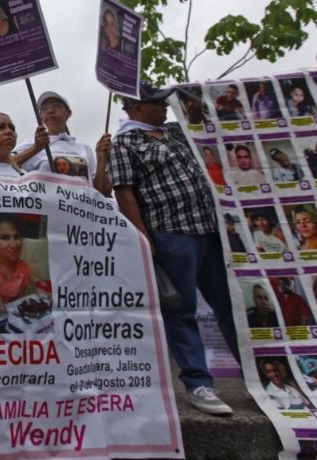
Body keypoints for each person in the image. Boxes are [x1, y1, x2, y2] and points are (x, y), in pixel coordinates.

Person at [108, 82, 239, 416]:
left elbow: (205, 114)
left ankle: (261, 375)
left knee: (232, 306)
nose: (164, 108)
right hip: (171, 234)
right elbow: (124, 192)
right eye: (156, 103)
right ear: (135, 107)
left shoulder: (177, 134)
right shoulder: (124, 142)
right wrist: (142, 236)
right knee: (181, 310)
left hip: (210, 232)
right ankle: (198, 382)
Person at [11, 91, 112, 195]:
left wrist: (101, 159)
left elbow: (101, 193)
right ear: (41, 116)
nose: (50, 110)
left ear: (68, 113)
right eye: (44, 108)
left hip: (82, 209)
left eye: (56, 106)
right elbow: (3, 164)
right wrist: (35, 148)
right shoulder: (32, 143)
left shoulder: (84, 149)